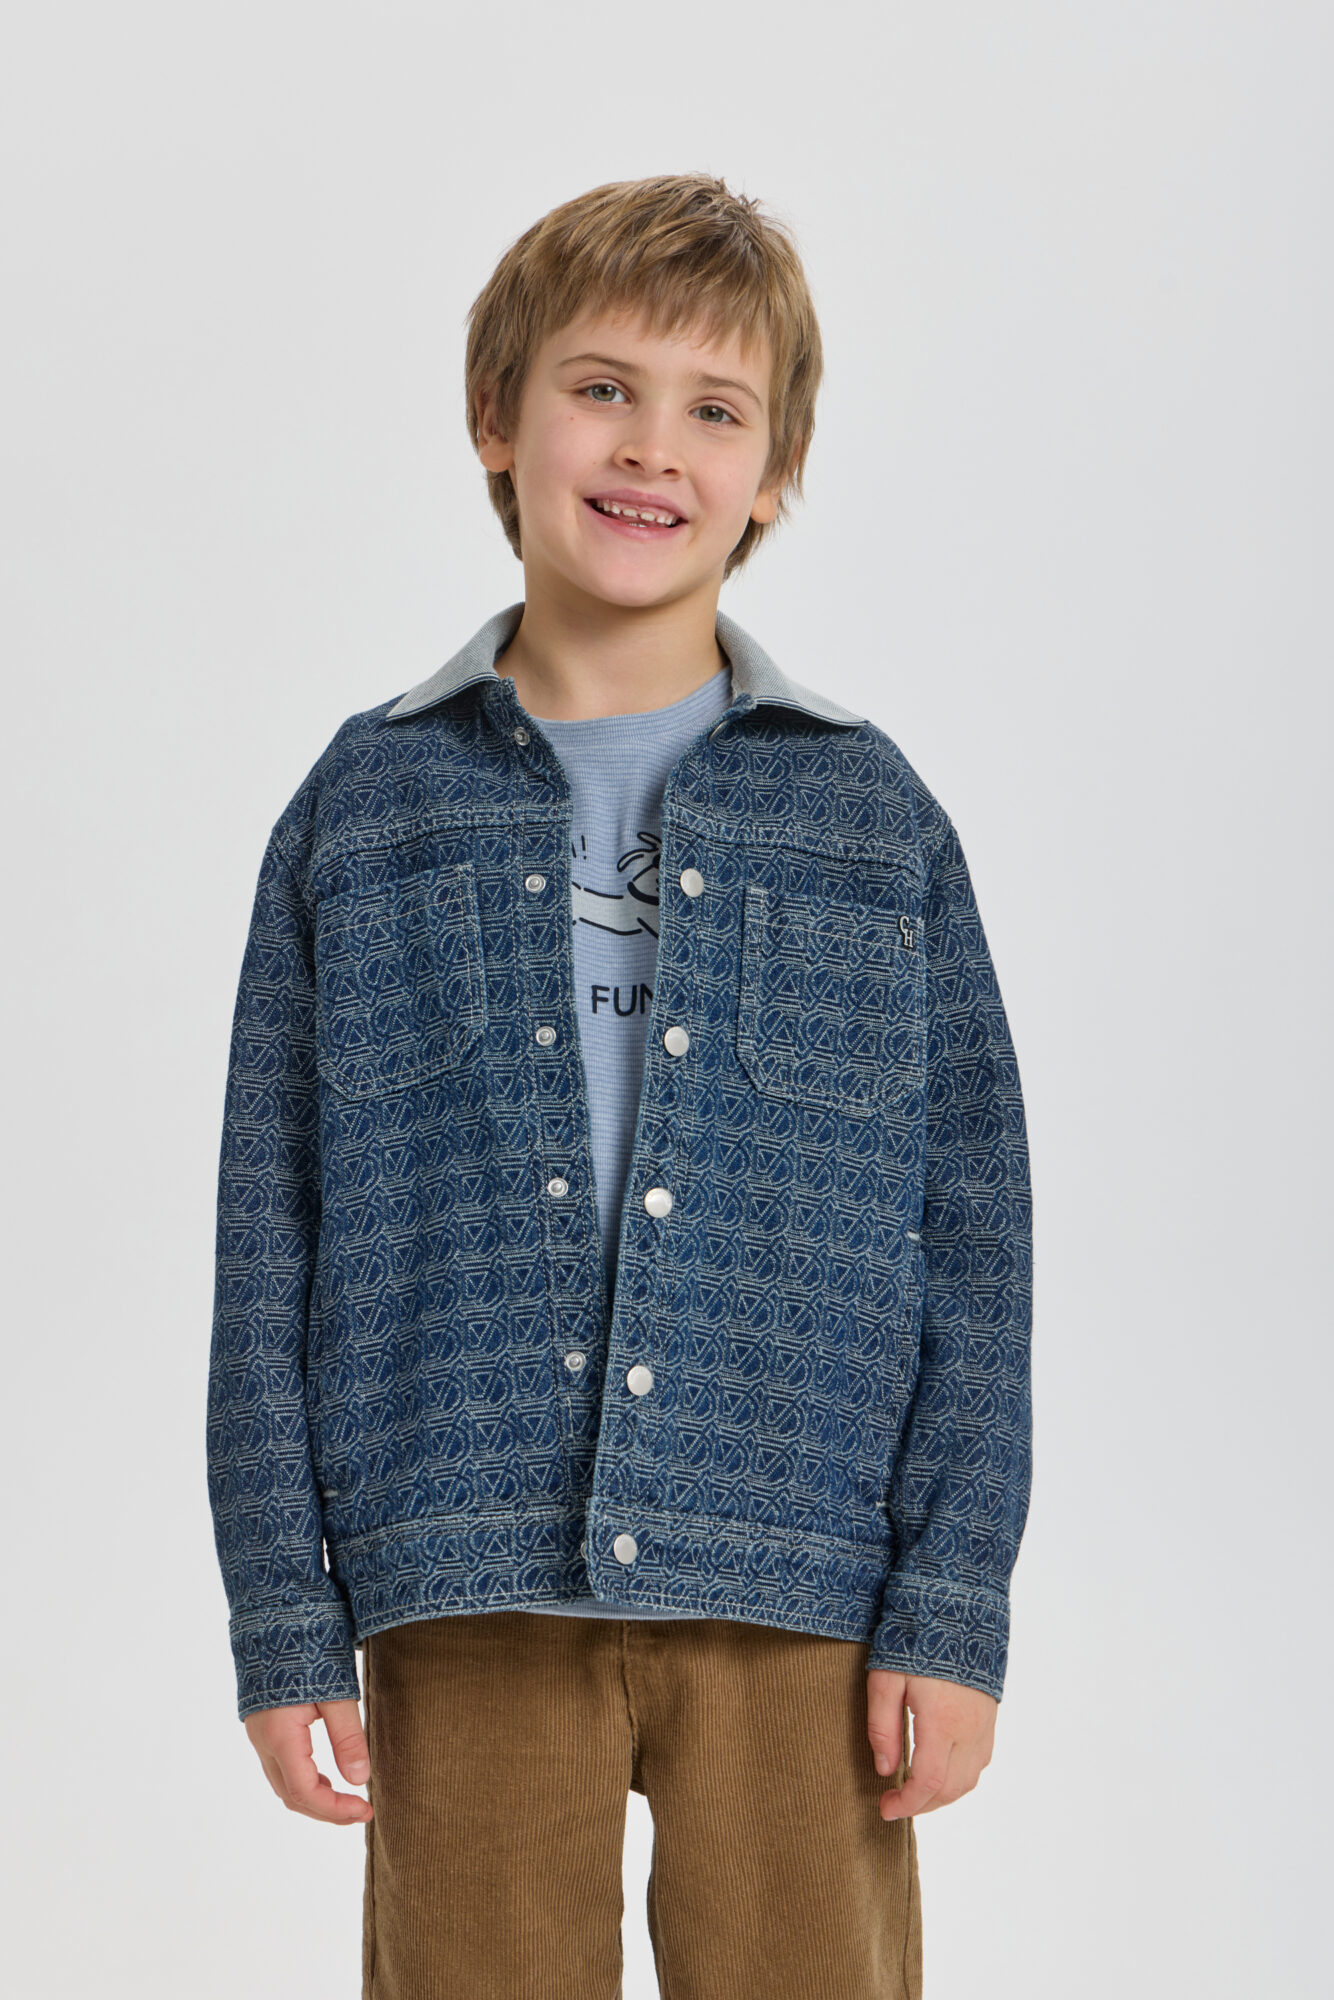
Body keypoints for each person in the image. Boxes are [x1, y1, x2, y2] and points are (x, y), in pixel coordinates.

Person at [206, 172, 1033, 1999]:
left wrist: (952, 1600)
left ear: (775, 468)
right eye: (601, 389)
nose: (653, 447)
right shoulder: (367, 807)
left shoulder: (869, 818)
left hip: (800, 1585)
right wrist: (283, 1615)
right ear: (495, 418)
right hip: (460, 1576)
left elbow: (972, 1236)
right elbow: (270, 1234)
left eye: (714, 409)